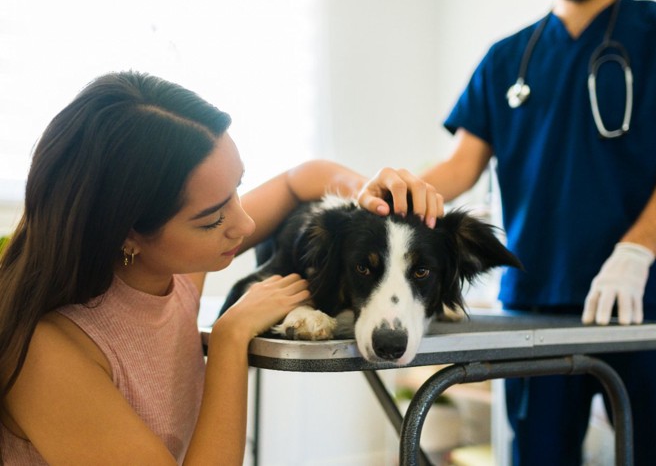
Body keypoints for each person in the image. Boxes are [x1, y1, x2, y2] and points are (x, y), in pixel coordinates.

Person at [0, 71, 443, 464]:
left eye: (238, 188)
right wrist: (231, 338)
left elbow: (297, 181)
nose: (246, 223)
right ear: (126, 235)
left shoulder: (169, 276)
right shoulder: (47, 352)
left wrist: (364, 193)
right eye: (213, 218)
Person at [421, 0, 656, 465]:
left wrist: (636, 251)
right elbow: (459, 166)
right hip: (536, 307)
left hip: (650, 297)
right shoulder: (508, 58)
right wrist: (388, 192)